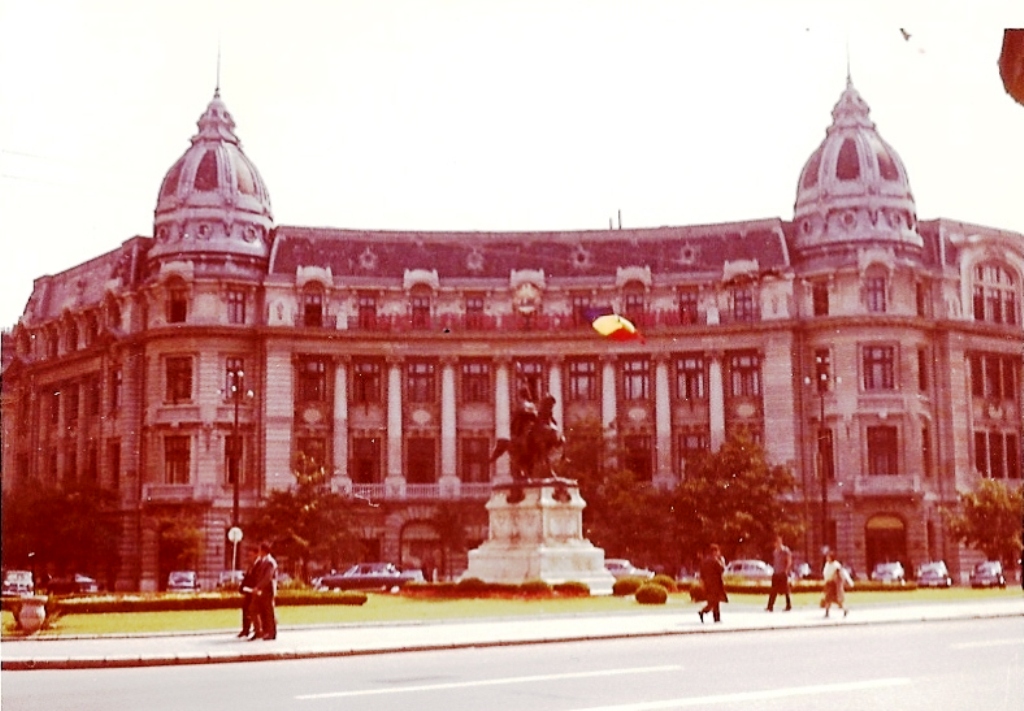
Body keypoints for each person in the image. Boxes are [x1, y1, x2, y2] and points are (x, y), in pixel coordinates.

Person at [250, 541, 278, 640]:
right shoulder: (262, 561)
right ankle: (263, 631)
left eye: (260, 550)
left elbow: (268, 577)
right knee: (259, 610)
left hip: (268, 590)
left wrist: (258, 587)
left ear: (264, 551)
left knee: (269, 612)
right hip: (262, 590)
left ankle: (271, 633)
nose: (259, 552)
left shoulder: (270, 562)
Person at [698, 543, 728, 624]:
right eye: (717, 551)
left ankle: (716, 617)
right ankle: (704, 612)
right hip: (715, 584)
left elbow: (701, 574)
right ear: (714, 551)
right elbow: (721, 569)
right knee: (715, 601)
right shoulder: (715, 560)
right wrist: (722, 561)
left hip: (707, 584)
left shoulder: (704, 561)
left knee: (713, 601)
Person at [237, 549, 262, 639]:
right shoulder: (251, 565)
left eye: (251, 555)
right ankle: (245, 629)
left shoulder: (259, 564)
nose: (249, 557)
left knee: (253, 610)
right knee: (245, 608)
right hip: (248, 591)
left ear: (256, 554)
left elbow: (257, 578)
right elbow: (247, 577)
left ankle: (257, 630)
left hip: (254, 591)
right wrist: (242, 587)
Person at [821, 550, 853, 618]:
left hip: (833, 584)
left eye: (828, 557)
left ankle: (844, 610)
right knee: (828, 599)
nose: (827, 558)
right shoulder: (827, 564)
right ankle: (829, 612)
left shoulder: (836, 565)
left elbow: (838, 575)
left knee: (832, 599)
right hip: (828, 583)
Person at [766, 535, 793, 612]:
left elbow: (789, 561)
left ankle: (788, 605)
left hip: (782, 573)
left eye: (778, 541)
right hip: (776, 573)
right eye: (776, 542)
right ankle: (770, 606)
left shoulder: (785, 551)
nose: (777, 543)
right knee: (773, 590)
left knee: (786, 590)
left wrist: (786, 570)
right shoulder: (775, 552)